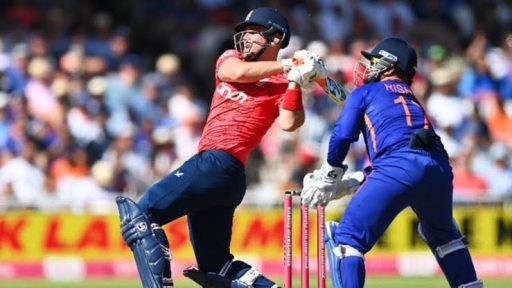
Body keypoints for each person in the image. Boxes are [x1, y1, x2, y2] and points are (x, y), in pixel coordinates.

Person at [115, 7, 325, 288]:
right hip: (222, 174)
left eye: (253, 33)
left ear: (276, 38)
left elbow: (290, 122)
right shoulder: (232, 58)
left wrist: (296, 83)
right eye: (244, 33)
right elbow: (235, 72)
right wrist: (288, 65)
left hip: (220, 165)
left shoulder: (281, 85)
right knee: (216, 265)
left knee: (141, 216)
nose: (245, 39)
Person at [301, 37, 483, 288]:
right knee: (444, 237)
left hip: (398, 168)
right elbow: (416, 156)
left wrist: (329, 173)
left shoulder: (366, 92)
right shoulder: (412, 99)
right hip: (439, 170)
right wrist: (357, 179)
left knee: (346, 240)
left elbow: (343, 134)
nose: (367, 67)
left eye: (374, 61)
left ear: (389, 65)